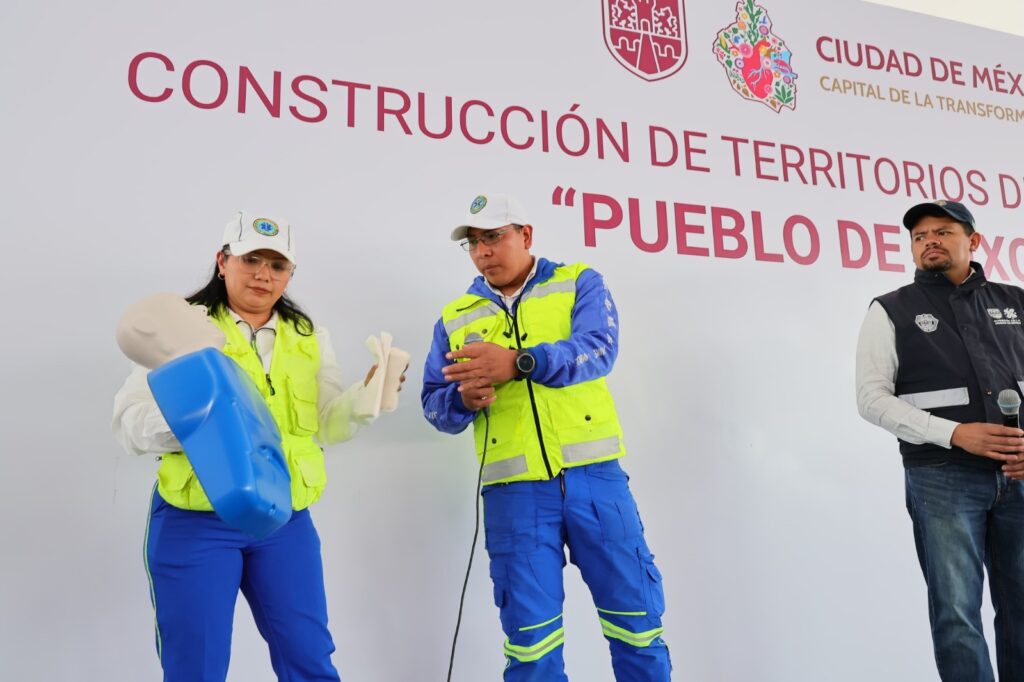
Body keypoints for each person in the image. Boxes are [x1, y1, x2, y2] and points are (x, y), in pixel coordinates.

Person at [112, 211, 403, 681]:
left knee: (309, 658)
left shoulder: (308, 337)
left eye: (277, 265)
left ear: (290, 274)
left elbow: (325, 423)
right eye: (251, 260)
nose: (264, 275)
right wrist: (200, 420)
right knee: (196, 668)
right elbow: (128, 424)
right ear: (223, 261)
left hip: (283, 520)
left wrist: (366, 398)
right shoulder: (181, 329)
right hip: (198, 519)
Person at [421, 193, 672, 681]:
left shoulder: (579, 281)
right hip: (515, 498)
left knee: (638, 630)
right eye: (473, 243)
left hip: (597, 485)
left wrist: (518, 363)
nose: (483, 252)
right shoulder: (455, 317)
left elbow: (598, 349)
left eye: (493, 237)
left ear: (526, 235)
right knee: (531, 648)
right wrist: (462, 403)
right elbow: (435, 404)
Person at [855, 199, 1024, 681]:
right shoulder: (890, 309)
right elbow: (871, 399)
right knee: (956, 617)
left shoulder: (1016, 301)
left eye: (943, 231)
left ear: (973, 241)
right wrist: (955, 434)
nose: (929, 240)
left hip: (1018, 475)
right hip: (942, 480)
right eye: (919, 235)